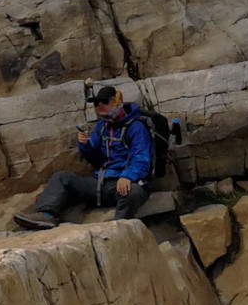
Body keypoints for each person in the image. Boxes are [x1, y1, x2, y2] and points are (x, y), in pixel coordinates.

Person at [14, 86, 153, 229]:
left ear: (116, 101)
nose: (99, 107)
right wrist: (85, 145)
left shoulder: (136, 128)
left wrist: (128, 176)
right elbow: (94, 157)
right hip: (100, 183)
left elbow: (141, 158)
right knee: (62, 178)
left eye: (104, 102)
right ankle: (46, 215)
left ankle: (118, 228)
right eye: (96, 104)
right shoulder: (102, 126)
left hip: (122, 183)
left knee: (133, 192)